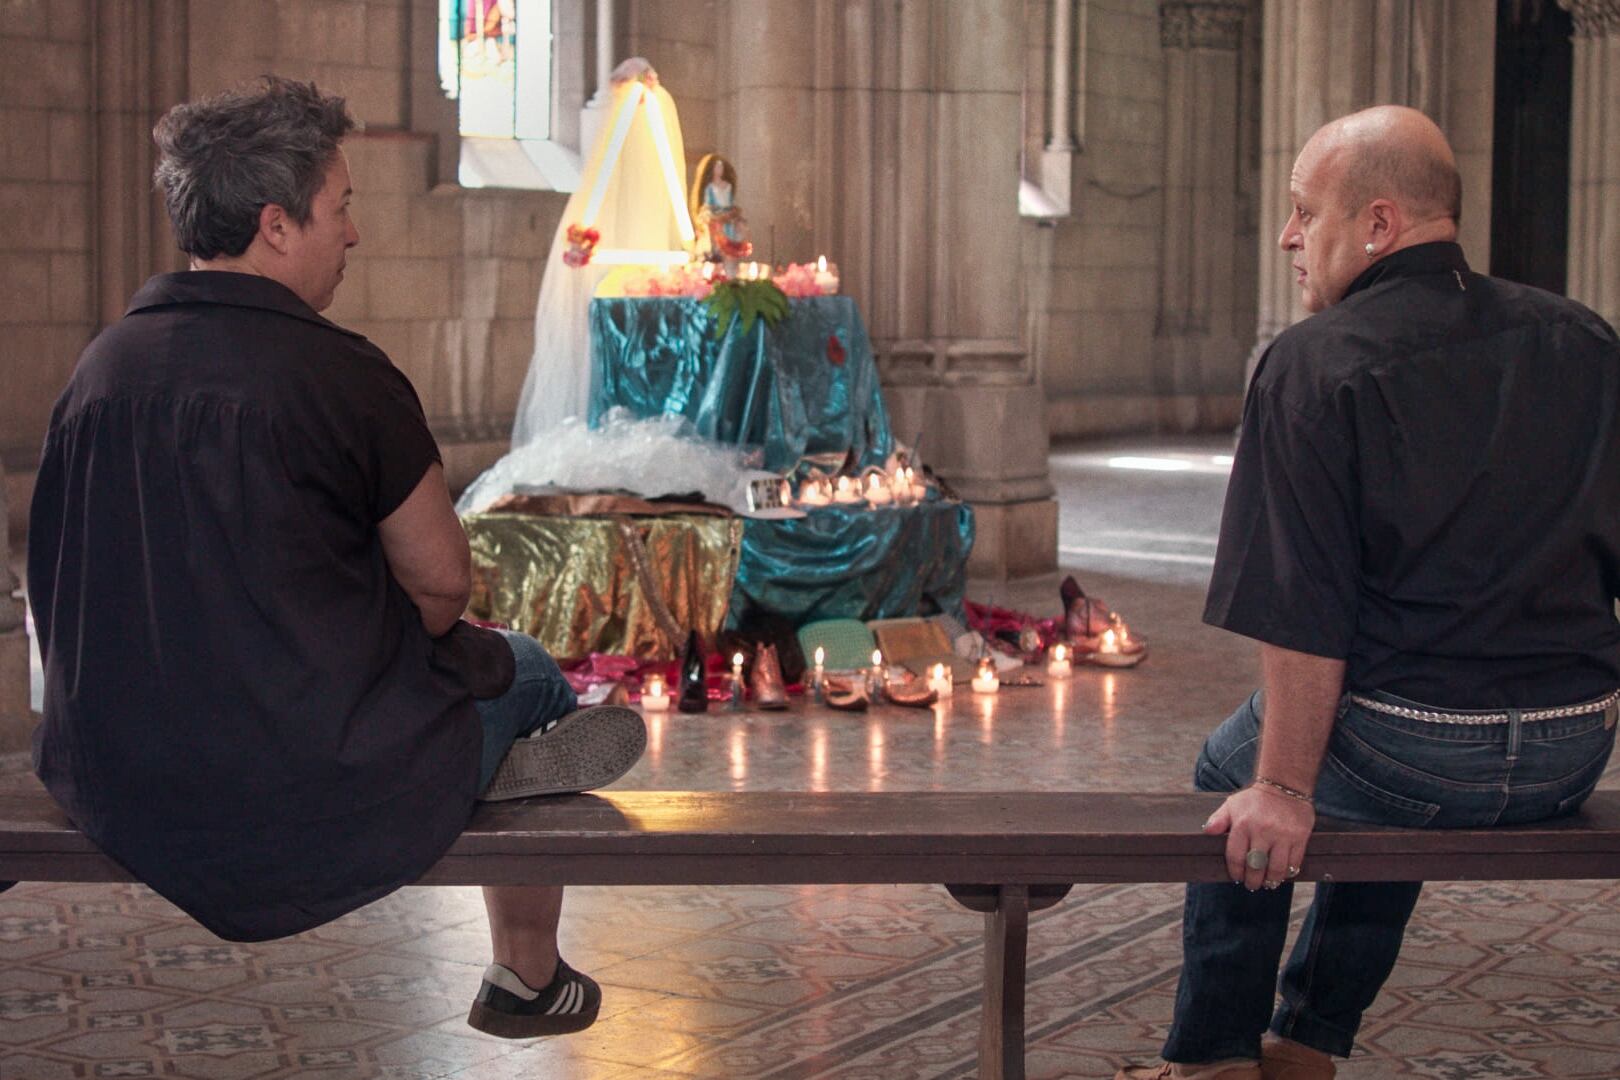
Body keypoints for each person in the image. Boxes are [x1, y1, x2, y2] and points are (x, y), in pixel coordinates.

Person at [26, 76, 646, 1040]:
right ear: (276, 225)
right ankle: (526, 971)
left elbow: (56, 578)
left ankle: (486, 773)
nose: (354, 234)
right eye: (342, 206)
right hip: (301, 775)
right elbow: (441, 586)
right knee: (525, 669)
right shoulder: (343, 375)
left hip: (112, 766)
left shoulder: (98, 370)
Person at [1118, 105, 1620, 1080]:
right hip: (1573, 749)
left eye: (1306, 211)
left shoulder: (1314, 363)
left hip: (1416, 754)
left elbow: (1300, 607)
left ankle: (1215, 1057)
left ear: (1379, 224)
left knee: (1239, 773)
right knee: (1392, 731)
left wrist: (1280, 790)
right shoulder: (1585, 341)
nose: (1288, 237)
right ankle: (1309, 1038)